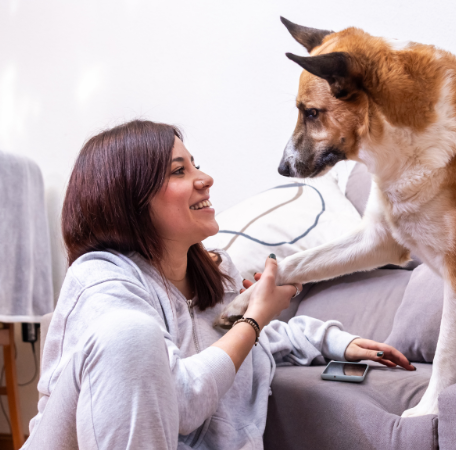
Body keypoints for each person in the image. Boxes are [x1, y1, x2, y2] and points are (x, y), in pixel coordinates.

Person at [22, 120, 415, 449]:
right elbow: (185, 399)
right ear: (128, 198)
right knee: (130, 335)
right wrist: (255, 317)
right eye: (180, 171)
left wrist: (332, 341)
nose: (205, 179)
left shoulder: (214, 271)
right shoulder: (100, 280)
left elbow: (240, 348)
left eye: (195, 166)